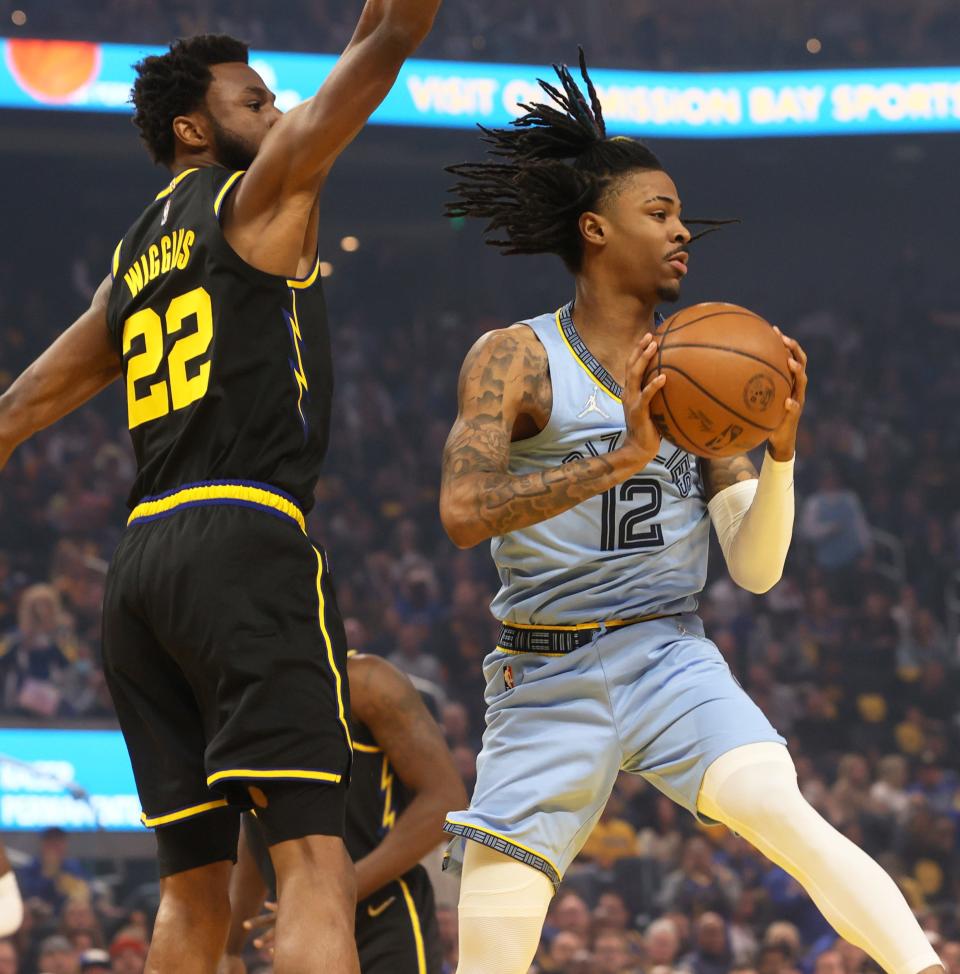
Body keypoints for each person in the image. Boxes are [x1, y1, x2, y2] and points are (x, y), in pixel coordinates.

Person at [437, 53, 943, 974]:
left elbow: (754, 567)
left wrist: (782, 449)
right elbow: (465, 513)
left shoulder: (701, 375)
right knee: (490, 952)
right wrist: (623, 459)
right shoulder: (517, 358)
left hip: (667, 649)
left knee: (777, 806)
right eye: (659, 213)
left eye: (680, 218)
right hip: (540, 676)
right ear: (595, 229)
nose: (682, 234)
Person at [0, 3, 442, 971]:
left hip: (140, 571)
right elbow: (388, 45)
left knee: (192, 889)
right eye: (256, 98)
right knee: (314, 859)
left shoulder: (129, 264)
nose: (280, 110)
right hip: (242, 538)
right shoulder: (257, 197)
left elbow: (24, 403)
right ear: (194, 128)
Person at [221, 652, 467, 974]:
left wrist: (335, 891)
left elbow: (446, 801)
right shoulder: (246, 695)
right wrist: (230, 947)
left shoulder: (367, 679)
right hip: (304, 923)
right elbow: (256, 823)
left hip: (383, 917)